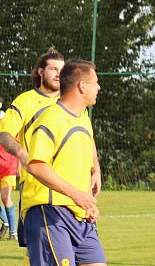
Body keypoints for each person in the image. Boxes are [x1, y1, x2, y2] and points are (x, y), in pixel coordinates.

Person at [0, 47, 100, 250]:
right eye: (53, 69)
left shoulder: (72, 104)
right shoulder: (26, 101)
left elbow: (87, 139)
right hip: (40, 194)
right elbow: (4, 133)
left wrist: (95, 168)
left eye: (61, 70)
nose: (57, 74)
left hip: (74, 199)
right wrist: (21, 153)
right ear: (40, 72)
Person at [23, 59, 105, 266]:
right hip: (49, 213)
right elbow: (36, 165)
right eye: (95, 82)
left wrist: (95, 174)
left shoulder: (83, 118)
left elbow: (84, 156)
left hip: (81, 217)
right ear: (82, 86)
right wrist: (76, 195)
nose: (99, 87)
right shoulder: (50, 119)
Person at [0, 96, 19, 240]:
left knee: (6, 198)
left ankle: (13, 232)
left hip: (7, 165)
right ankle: (6, 222)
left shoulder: (8, 120)